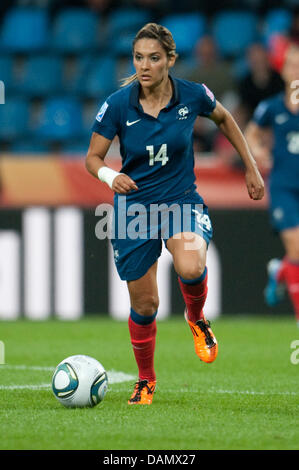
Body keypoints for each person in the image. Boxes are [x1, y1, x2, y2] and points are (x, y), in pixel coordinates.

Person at [85, 23, 264, 405]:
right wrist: (111, 175)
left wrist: (250, 166)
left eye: (153, 58)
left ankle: (196, 318)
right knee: (145, 305)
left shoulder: (193, 95)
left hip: (180, 200)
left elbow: (225, 119)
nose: (144, 66)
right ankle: (146, 380)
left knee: (189, 265)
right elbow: (92, 158)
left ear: (170, 59)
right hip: (133, 208)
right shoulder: (118, 104)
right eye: (138, 57)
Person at [245, 44, 299, 326]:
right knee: (298, 250)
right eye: (292, 65)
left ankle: (280, 270)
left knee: (296, 255)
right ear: (284, 70)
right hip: (284, 187)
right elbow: (250, 134)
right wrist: (257, 151)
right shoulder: (272, 107)